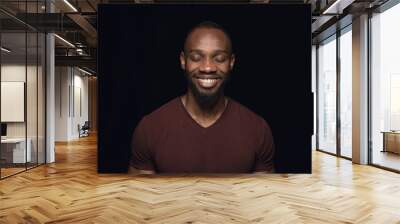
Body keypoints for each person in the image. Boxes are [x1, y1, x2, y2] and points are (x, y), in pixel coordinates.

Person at [129, 21, 274, 174]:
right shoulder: (150, 128)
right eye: (196, 57)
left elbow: (263, 196)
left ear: (231, 62)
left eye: (219, 58)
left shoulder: (258, 129)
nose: (207, 68)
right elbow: (139, 196)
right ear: (183, 61)